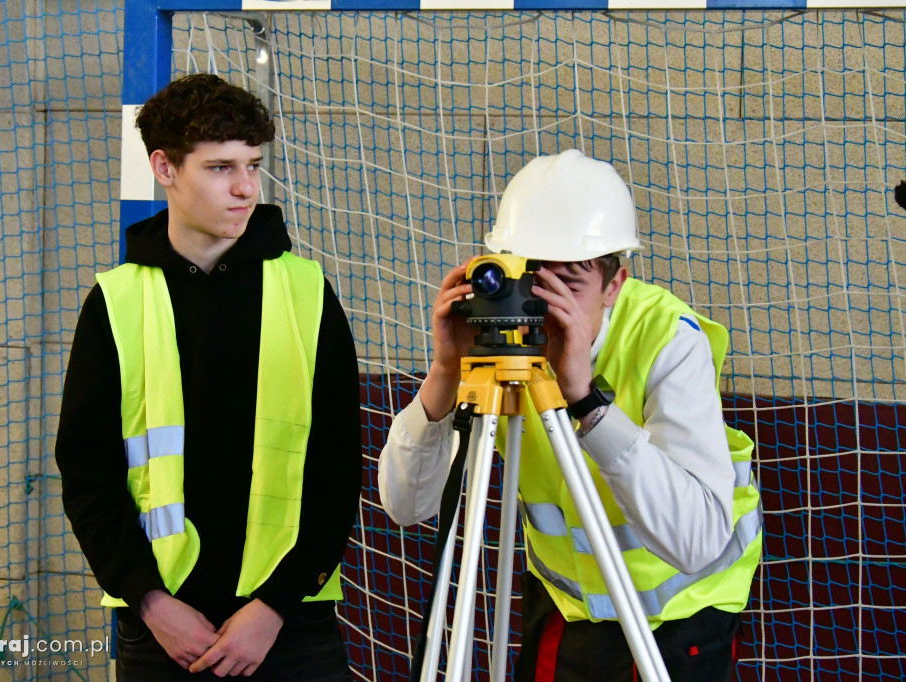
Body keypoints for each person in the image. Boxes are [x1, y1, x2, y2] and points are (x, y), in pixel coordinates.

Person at [379, 150, 762, 681]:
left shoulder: (667, 340)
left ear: (614, 285)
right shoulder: (501, 345)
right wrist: (445, 371)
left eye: (569, 284)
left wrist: (584, 398)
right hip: (568, 605)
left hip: (679, 617)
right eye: (533, 281)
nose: (547, 306)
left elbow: (695, 542)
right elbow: (405, 505)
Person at [55, 74, 362, 681]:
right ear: (164, 168)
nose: (246, 188)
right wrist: (150, 601)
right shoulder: (114, 302)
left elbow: (337, 468)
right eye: (221, 168)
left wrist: (273, 609)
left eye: (252, 165)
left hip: (290, 628)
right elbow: (88, 473)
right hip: (163, 630)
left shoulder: (307, 292)